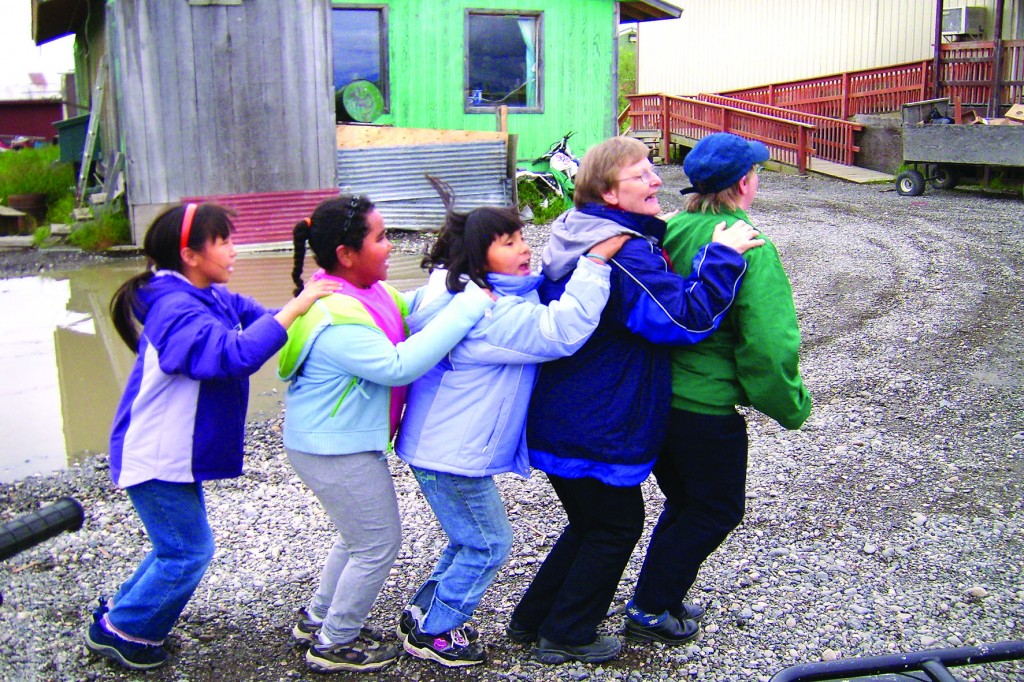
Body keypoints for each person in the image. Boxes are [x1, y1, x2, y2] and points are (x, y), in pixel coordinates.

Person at [508, 136, 765, 665]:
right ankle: (568, 635)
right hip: (596, 419)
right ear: (607, 192)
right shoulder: (624, 253)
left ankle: (532, 619)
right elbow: (681, 319)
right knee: (614, 525)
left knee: (590, 521)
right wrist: (722, 255)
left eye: (653, 170)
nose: (656, 181)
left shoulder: (581, 233)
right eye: (640, 175)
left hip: (563, 412)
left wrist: (651, 224)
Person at [86, 203, 336, 671]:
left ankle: (122, 616)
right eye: (222, 241)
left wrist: (323, 299)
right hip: (155, 455)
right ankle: (125, 631)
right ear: (190, 255)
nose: (233, 249)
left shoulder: (207, 296)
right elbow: (234, 354)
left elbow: (261, 316)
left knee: (175, 546)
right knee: (188, 552)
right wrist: (299, 306)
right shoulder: (176, 310)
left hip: (173, 454)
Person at [392, 197, 629, 667]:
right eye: (509, 243)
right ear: (480, 259)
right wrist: (596, 262)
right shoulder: (488, 314)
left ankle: (424, 613)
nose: (524, 249)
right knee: (490, 543)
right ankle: (436, 630)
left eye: (522, 238)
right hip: (451, 455)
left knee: (468, 539)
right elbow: (560, 332)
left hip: (439, 448)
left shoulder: (465, 290)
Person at [278, 195, 495, 673]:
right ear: (346, 254)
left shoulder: (366, 290)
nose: (391, 246)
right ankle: (334, 642)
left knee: (357, 537)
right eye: (380, 238)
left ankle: (316, 619)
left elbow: (412, 308)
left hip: (338, 442)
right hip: (333, 449)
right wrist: (471, 307)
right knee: (377, 545)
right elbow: (399, 366)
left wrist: (454, 278)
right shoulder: (336, 315)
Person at [629, 133, 812, 632]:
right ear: (745, 183)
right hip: (704, 411)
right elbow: (768, 343)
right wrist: (791, 404)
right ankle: (649, 608)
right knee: (716, 508)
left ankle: (658, 598)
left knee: (687, 502)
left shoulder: (666, 231)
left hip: (656, 400)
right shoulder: (750, 244)